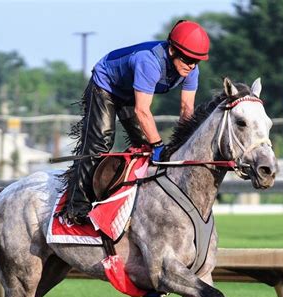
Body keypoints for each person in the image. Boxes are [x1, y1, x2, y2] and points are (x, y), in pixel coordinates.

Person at [62, 19, 210, 224]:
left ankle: (138, 202)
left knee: (144, 146)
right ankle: (76, 209)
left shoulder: (191, 71)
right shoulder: (149, 62)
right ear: (172, 50)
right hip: (106, 87)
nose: (191, 65)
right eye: (186, 59)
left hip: (130, 92)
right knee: (100, 143)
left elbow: (187, 110)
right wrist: (158, 144)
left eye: (196, 61)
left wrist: (182, 144)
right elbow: (142, 110)